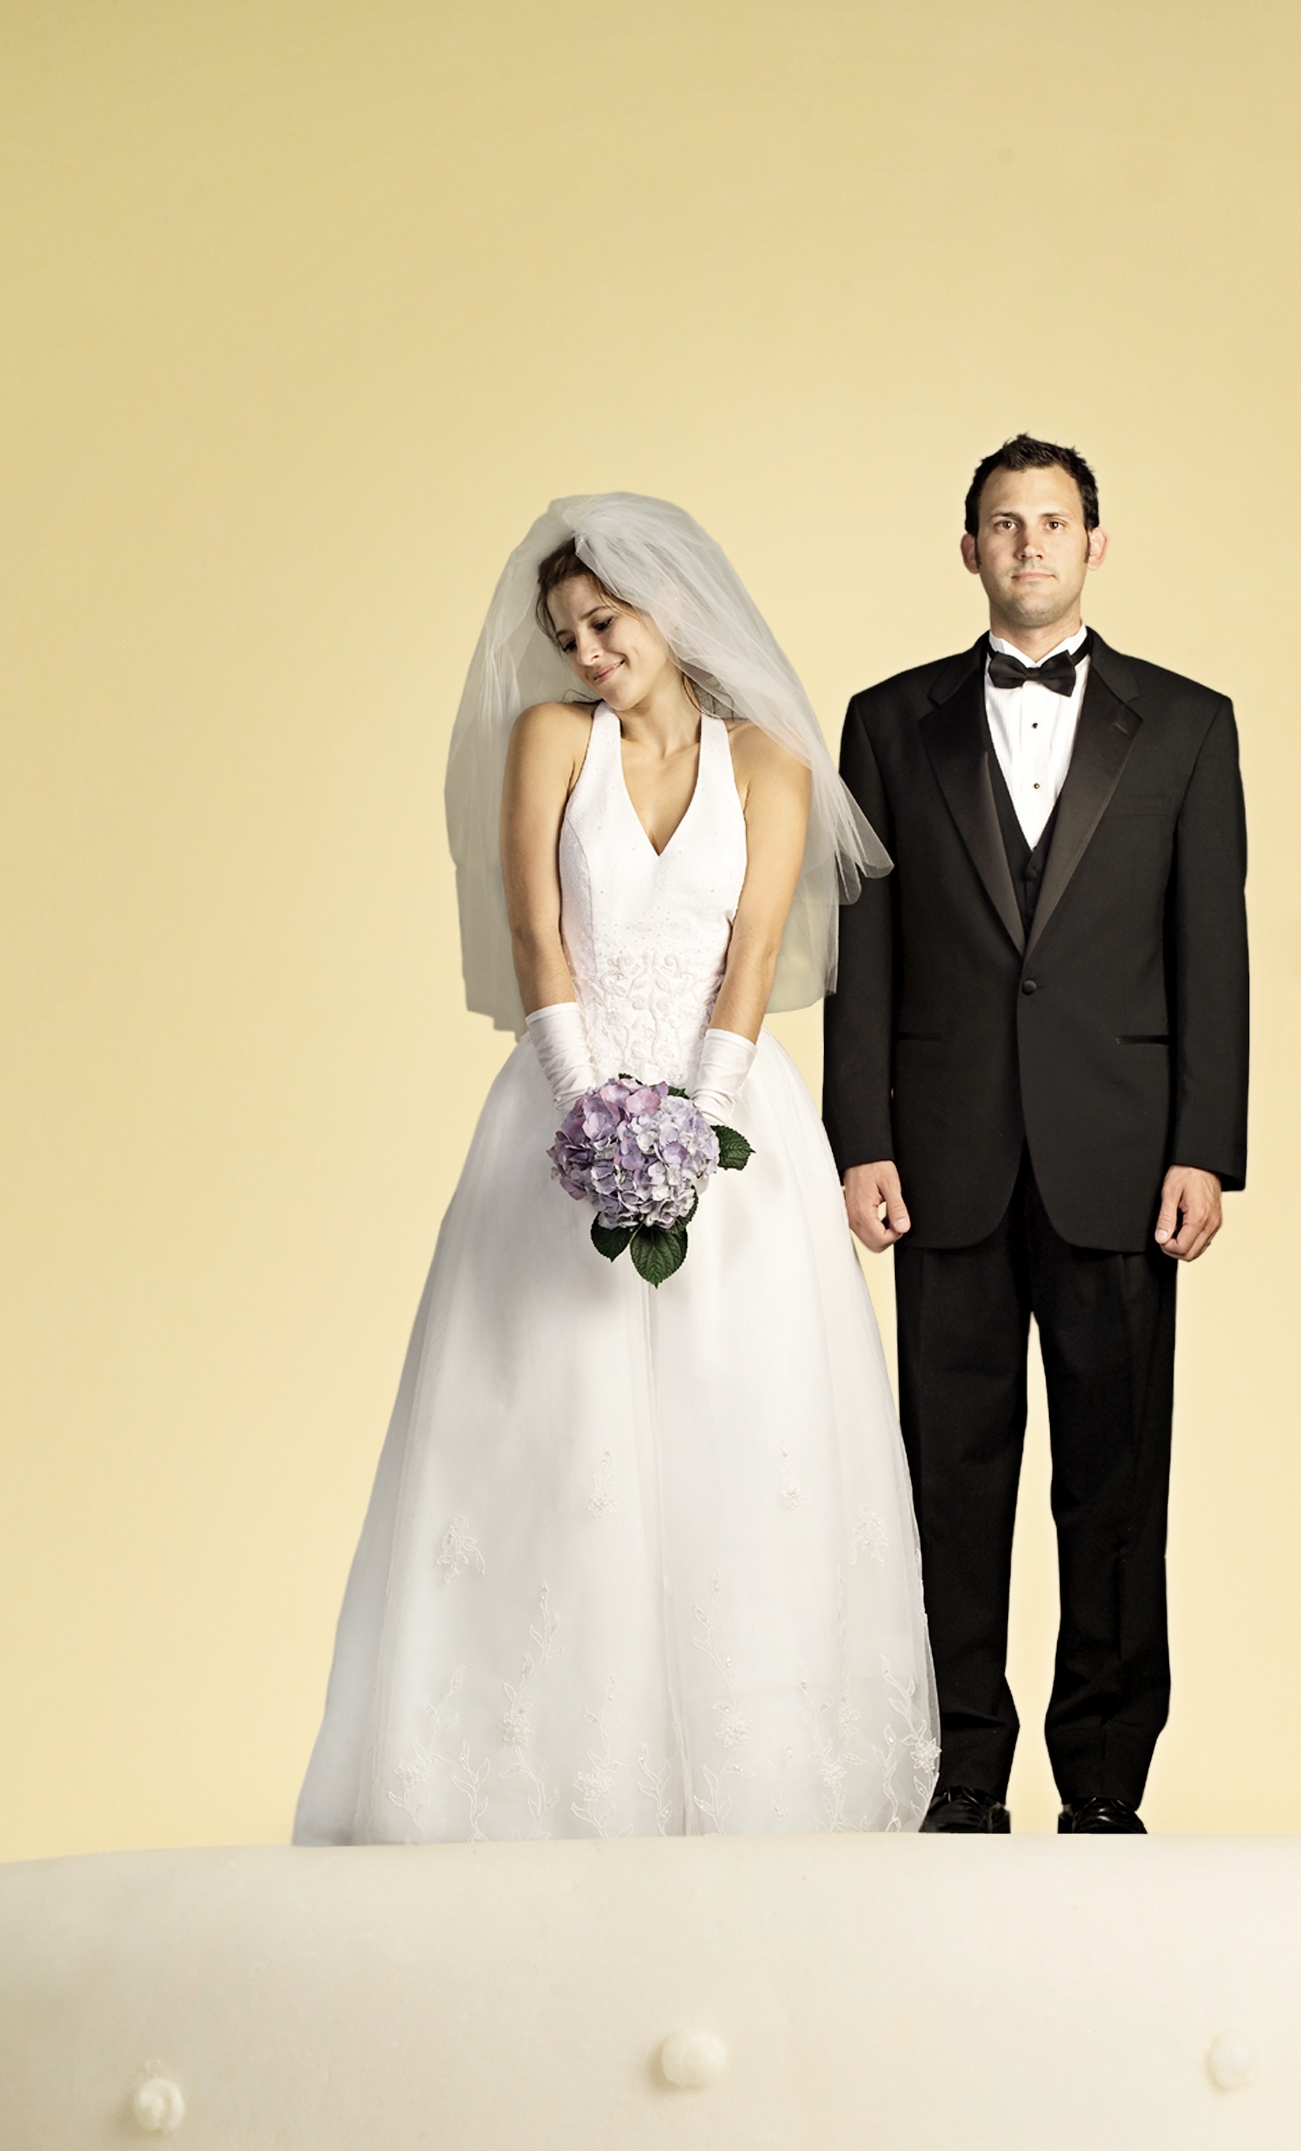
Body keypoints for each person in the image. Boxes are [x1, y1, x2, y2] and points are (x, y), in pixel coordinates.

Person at [293, 495, 939, 1842]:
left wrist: (694, 1131)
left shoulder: (767, 760)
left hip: (729, 1117)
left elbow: (755, 957)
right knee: (546, 1431)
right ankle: (528, 1782)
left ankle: (750, 1783)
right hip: (560, 1110)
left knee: (740, 1430)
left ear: (671, 608)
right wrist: (590, 1115)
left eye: (607, 620)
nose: (589, 651)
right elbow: (534, 924)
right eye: (569, 633)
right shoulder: (550, 744)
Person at [828, 434, 1250, 1834]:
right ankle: (957, 1774)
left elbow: (1213, 953)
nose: (1028, 545)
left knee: (1117, 1484)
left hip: (1124, 1162)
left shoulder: (1189, 725)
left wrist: (1207, 1144)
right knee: (946, 1485)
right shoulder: (888, 725)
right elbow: (861, 948)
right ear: (969, 550)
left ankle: (1108, 1786)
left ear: (1095, 545)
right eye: (1003, 524)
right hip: (943, 1154)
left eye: (1053, 522)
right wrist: (858, 1136)